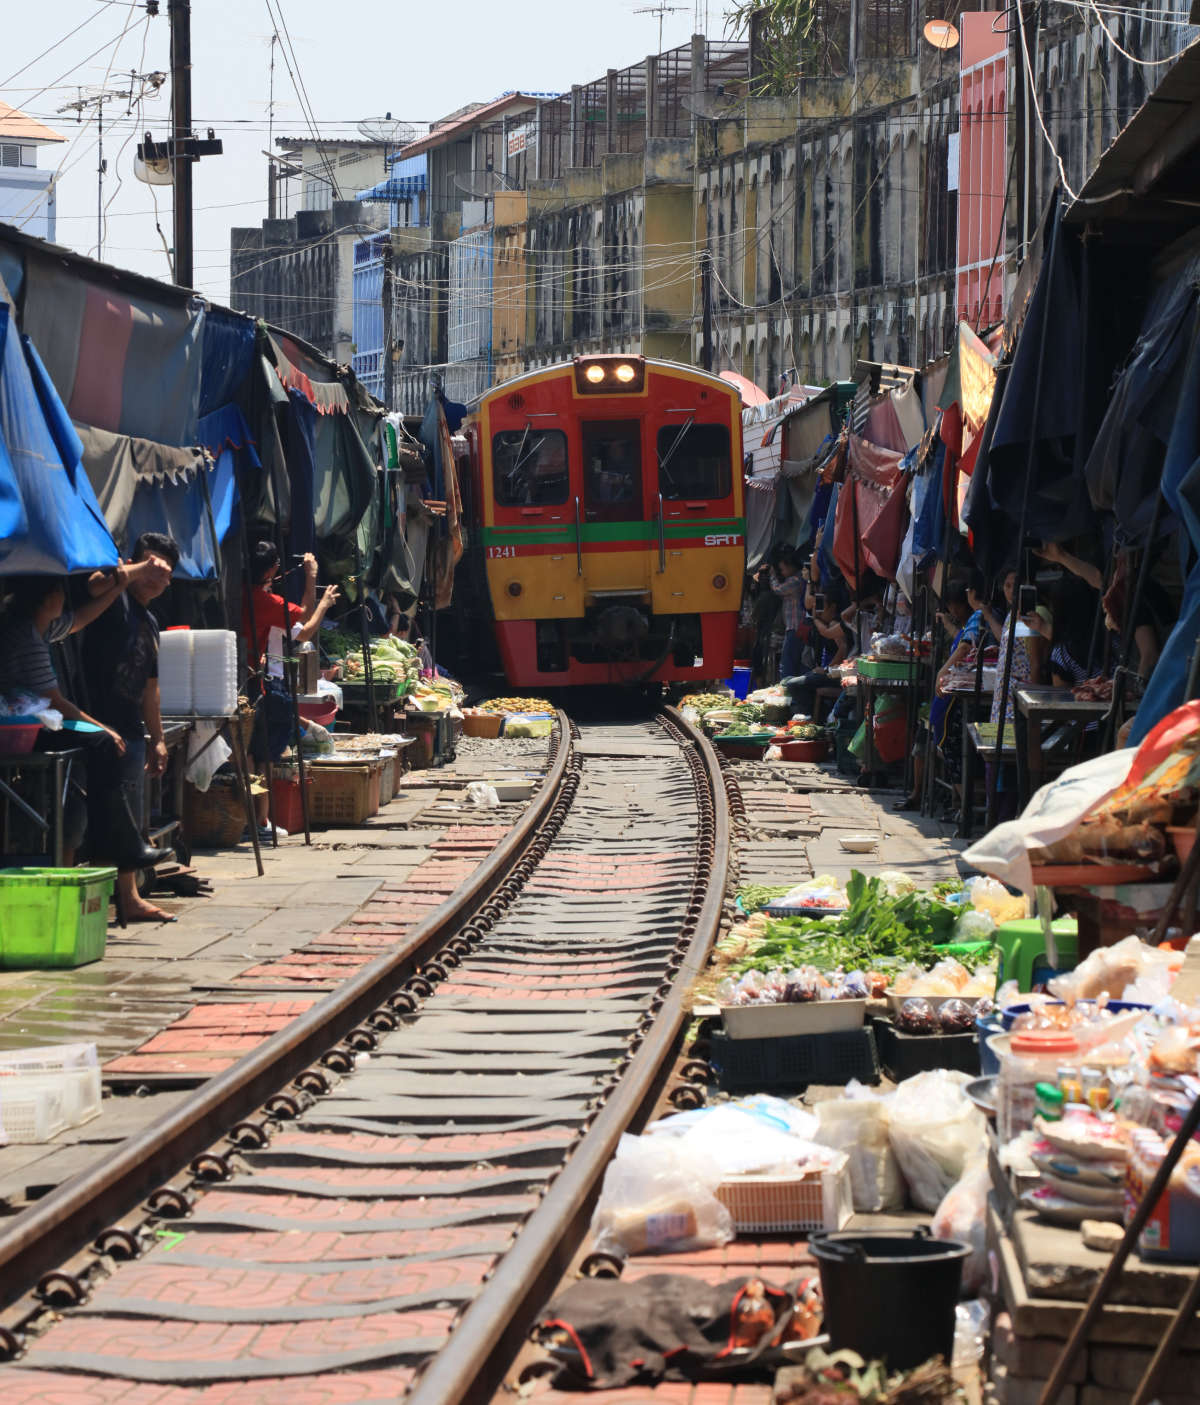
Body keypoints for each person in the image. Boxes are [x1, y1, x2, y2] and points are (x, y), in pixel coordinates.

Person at [0, 567, 173, 872]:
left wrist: (116, 588)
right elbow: (56, 700)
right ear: (47, 598)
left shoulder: (39, 627)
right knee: (102, 741)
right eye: (60, 592)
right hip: (20, 730)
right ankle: (120, 843)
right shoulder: (26, 636)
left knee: (102, 744)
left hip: (36, 722)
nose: (64, 599)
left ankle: (120, 842)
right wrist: (101, 726)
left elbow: (79, 620)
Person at [82, 533, 181, 922]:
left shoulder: (151, 621)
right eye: (153, 566)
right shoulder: (113, 598)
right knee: (81, 818)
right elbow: (93, 586)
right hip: (92, 719)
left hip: (129, 726)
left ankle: (129, 897)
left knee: (130, 815)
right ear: (133, 561)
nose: (158, 577)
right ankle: (81, 895)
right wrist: (138, 567)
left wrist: (157, 739)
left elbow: (150, 689)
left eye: (166, 573)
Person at [243, 542, 340, 676]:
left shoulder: (241, 592)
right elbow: (305, 628)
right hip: (267, 676)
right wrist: (322, 601)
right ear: (271, 570)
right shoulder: (267, 603)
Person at [769, 547, 806, 680]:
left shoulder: (797, 580)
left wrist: (772, 576)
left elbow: (778, 589)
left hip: (795, 628)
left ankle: (786, 691)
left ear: (791, 565)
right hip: (793, 627)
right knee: (793, 662)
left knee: (787, 664)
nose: (782, 573)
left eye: (782, 569)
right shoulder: (797, 578)